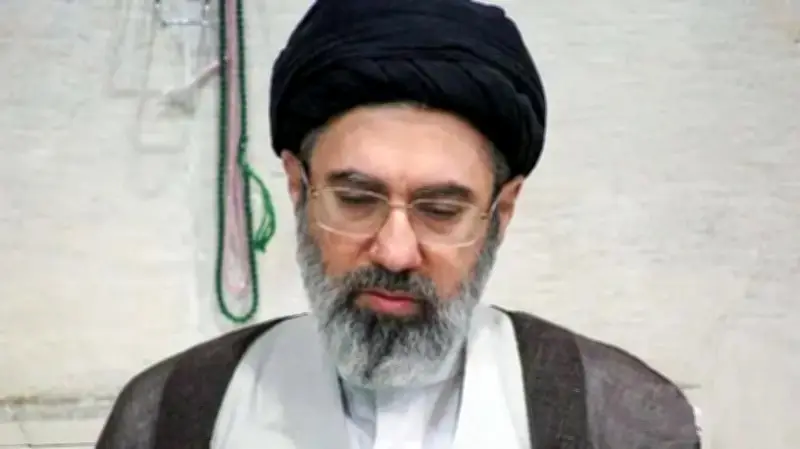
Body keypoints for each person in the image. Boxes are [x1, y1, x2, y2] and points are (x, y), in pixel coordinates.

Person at [96, 0, 701, 448]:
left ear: (502, 212)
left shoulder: (624, 419)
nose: (395, 251)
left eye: (441, 210)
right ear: (298, 188)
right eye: (357, 199)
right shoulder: (173, 412)